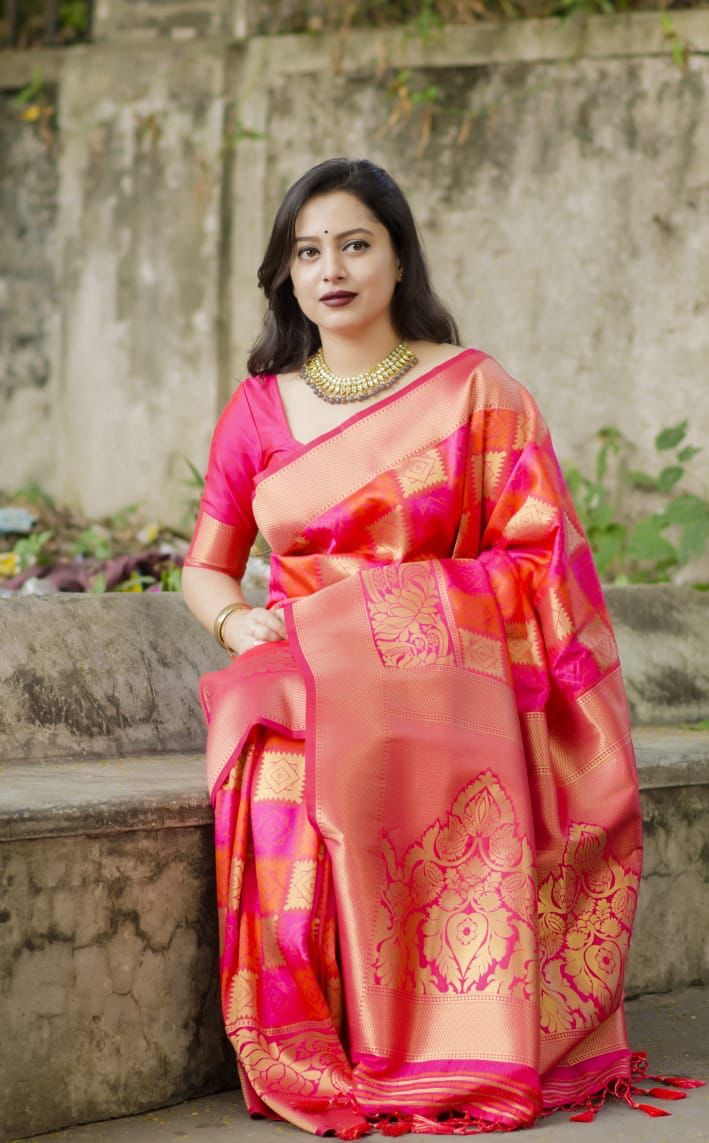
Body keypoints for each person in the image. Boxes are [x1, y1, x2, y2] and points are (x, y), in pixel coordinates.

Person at [181, 158, 671, 1137]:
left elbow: (538, 558)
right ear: (286, 274)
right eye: (306, 252)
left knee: (404, 747)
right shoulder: (258, 408)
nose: (330, 269)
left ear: (399, 258)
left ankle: (448, 1037)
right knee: (272, 760)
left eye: (354, 244)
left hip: (446, 671)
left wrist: (397, 615)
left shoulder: (474, 392)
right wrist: (237, 623)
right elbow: (207, 568)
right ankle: (320, 1038)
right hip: (301, 661)